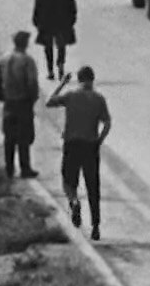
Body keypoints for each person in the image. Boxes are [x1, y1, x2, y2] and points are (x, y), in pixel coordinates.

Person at [47, 64, 110, 242]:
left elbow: (49, 102)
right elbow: (107, 123)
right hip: (90, 146)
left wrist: (62, 83)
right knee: (92, 186)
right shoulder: (99, 99)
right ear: (92, 80)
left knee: (69, 180)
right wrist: (99, 140)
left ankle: (74, 202)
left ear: (79, 80)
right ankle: (96, 226)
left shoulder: (71, 96)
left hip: (72, 144)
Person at [0, 29, 42, 179]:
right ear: (25, 43)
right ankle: (24, 167)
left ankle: (9, 168)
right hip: (23, 102)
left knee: (9, 137)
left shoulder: (4, 59)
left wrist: (2, 97)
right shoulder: (27, 61)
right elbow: (32, 83)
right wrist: (32, 99)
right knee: (24, 138)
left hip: (9, 103)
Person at [32, 0, 78, 80]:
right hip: (62, 22)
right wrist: (72, 20)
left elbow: (38, 5)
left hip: (46, 22)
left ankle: (50, 70)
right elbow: (72, 5)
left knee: (48, 47)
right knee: (61, 46)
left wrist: (36, 20)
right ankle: (61, 65)